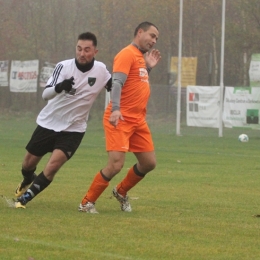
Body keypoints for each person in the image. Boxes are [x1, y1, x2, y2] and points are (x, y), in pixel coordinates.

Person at [14, 32, 111, 209]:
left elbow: (116, 86)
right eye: (79, 49)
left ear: (95, 51)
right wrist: (60, 87)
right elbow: (45, 94)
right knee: (28, 164)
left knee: (52, 166)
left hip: (74, 129)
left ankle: (24, 199)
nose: (82, 53)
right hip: (48, 123)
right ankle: (28, 178)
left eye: (87, 50)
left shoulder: (101, 71)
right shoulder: (64, 67)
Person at [78, 21, 161, 214]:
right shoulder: (127, 54)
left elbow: (135, 83)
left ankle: (121, 191)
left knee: (149, 163)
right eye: (152, 35)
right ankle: (86, 203)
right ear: (139, 32)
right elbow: (117, 83)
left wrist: (148, 69)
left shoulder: (140, 58)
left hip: (138, 120)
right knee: (116, 164)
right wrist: (116, 109)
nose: (154, 41)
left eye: (156, 38)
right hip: (120, 118)